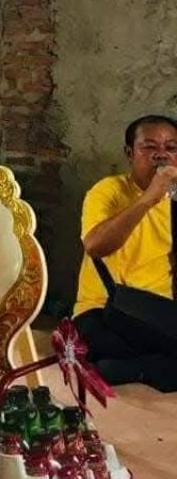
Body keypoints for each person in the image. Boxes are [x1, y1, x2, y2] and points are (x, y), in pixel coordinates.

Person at [73, 114, 177, 391]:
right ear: (129, 153)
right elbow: (95, 246)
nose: (161, 155)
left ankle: (134, 369)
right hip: (105, 309)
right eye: (149, 147)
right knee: (96, 341)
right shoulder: (107, 191)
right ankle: (149, 366)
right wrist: (149, 198)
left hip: (157, 313)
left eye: (171, 148)